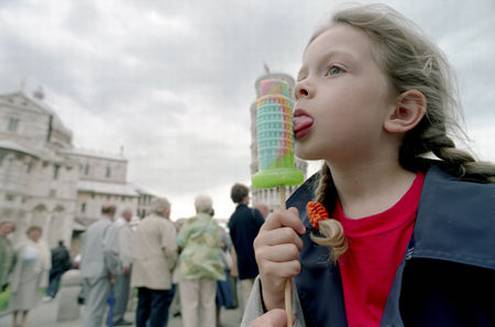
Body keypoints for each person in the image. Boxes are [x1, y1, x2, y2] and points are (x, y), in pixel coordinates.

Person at [245, 4, 495, 326]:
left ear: (401, 111)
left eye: (333, 69)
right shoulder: (295, 233)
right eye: (302, 75)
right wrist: (273, 299)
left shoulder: (482, 218)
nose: (300, 88)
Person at [176, 195, 224, 327]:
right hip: (210, 267)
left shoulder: (190, 221)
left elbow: (180, 241)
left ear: (196, 207)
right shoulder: (214, 224)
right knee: (208, 305)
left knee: (189, 305)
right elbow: (220, 242)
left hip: (190, 266)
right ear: (210, 207)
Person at [131, 197, 177, 327]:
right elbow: (169, 250)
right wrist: (172, 267)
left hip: (141, 272)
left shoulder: (141, 224)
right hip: (159, 273)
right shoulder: (165, 224)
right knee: (159, 310)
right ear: (165, 210)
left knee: (142, 308)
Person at [227, 183, 264, 314]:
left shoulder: (232, 219)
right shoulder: (254, 213)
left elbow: (233, 242)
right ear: (245, 197)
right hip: (258, 261)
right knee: (262, 296)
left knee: (247, 297)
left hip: (242, 263)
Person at [80, 204, 116, 327]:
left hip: (86, 269)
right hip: (101, 271)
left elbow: (83, 249)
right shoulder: (110, 227)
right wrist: (113, 270)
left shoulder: (91, 227)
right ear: (113, 212)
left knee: (89, 307)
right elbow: (109, 251)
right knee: (97, 310)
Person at [10, 225, 51, 327]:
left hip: (34, 276)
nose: (36, 234)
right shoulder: (22, 245)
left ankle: (24, 320)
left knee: (29, 299)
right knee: (17, 299)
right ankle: (14, 320)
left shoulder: (43, 245)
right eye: (33, 232)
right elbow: (14, 259)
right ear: (28, 233)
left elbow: (45, 262)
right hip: (21, 275)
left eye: (38, 232)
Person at [103, 207, 134, 326]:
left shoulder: (118, 225)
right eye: (130, 215)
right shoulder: (122, 227)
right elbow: (124, 247)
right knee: (120, 293)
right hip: (122, 265)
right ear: (126, 215)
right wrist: (126, 264)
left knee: (120, 293)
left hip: (119, 263)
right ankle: (116, 318)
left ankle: (116, 317)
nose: (131, 218)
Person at [0, 221, 16, 292]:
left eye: (11, 228)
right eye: (6, 227)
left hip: (4, 273)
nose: (8, 230)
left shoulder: (9, 242)